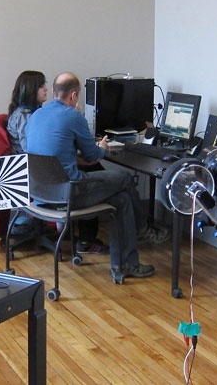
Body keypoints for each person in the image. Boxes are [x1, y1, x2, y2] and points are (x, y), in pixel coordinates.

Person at [26, 72, 160, 279]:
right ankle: (142, 229)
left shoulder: (36, 115)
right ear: (73, 95)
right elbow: (92, 155)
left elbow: (53, 154)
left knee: (122, 200)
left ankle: (124, 266)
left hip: (40, 194)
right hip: (68, 193)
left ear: (54, 93)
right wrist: (102, 147)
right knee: (124, 178)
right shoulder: (72, 116)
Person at [7, 71, 106, 253]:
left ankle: (80, 236)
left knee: (92, 167)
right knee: (97, 173)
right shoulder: (26, 116)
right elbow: (34, 151)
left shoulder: (36, 114)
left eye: (46, 86)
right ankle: (86, 239)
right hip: (37, 176)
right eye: (40, 86)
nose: (45, 89)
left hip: (41, 175)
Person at [6, 70, 48, 154]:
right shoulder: (23, 115)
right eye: (41, 86)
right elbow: (29, 149)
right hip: (28, 162)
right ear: (30, 90)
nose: (46, 89)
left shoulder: (29, 113)